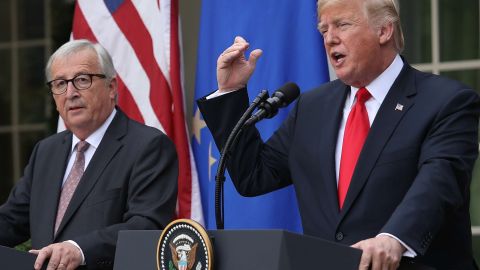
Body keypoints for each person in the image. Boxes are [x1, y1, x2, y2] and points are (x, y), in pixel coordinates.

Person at [197, 0, 480, 269]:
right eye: (323, 29)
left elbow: (439, 182)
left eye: (342, 25)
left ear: (384, 30)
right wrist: (231, 93)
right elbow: (254, 175)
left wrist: (394, 238)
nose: (329, 38)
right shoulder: (312, 106)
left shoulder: (446, 101)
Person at [0, 40, 178, 269]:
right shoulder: (46, 151)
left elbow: (147, 226)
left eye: (82, 80)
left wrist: (79, 249)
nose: (70, 93)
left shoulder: (148, 147)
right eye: (60, 83)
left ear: (112, 88)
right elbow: (12, 220)